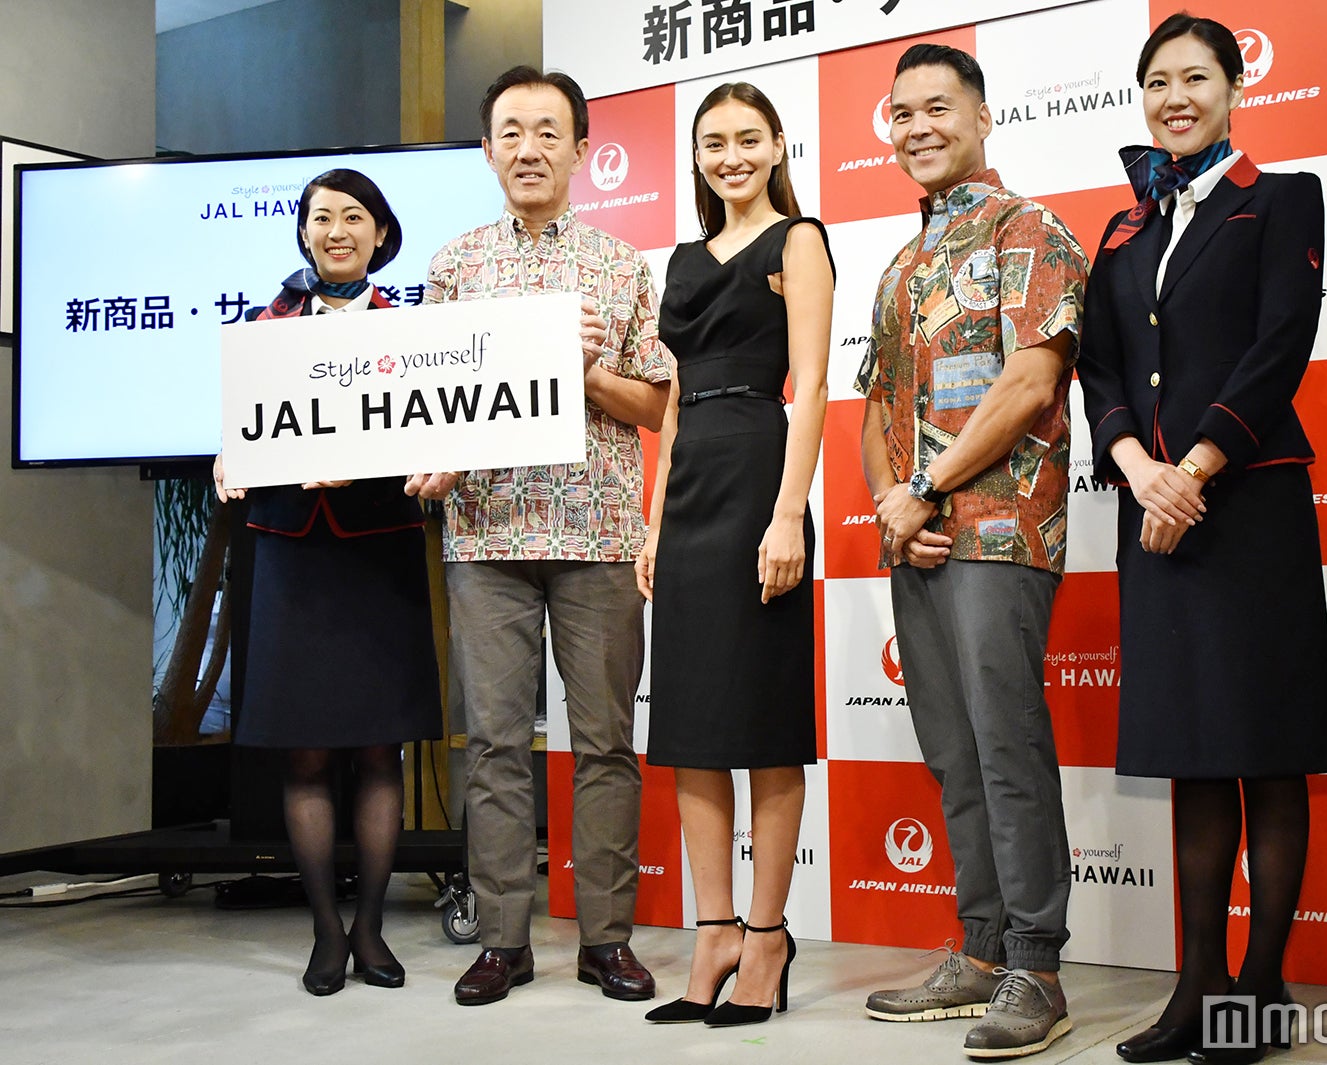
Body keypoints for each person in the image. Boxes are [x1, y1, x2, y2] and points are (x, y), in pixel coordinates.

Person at [1075, 14, 1327, 1064]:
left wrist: (1191, 468)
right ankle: (1196, 987)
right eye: (1157, 81)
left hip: (1246, 509)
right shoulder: (1122, 228)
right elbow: (1100, 366)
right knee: (1192, 753)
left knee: (1265, 752)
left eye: (1195, 78)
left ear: (1235, 88)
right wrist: (1135, 464)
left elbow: (1281, 343)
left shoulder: (1282, 199)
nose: (1175, 97)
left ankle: (1262, 988)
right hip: (1155, 516)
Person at [406, 65, 671, 1007]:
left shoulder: (622, 265)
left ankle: (606, 939)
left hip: (598, 529)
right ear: (487, 151)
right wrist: (434, 457)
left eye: (549, 131)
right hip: (486, 533)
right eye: (511, 132)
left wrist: (584, 370)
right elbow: (429, 398)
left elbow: (655, 404)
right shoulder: (454, 267)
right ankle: (503, 940)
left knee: (604, 743)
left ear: (582, 150)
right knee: (494, 745)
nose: (529, 148)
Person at [855, 43, 1089, 1062]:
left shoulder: (1030, 231)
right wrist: (891, 505)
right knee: (953, 753)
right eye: (901, 113)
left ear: (984, 117)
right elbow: (875, 407)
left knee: (1005, 747)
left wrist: (922, 488)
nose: (918, 127)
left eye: (938, 108)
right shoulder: (899, 265)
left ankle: (1038, 965)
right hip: (917, 541)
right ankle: (984, 949)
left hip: (1000, 531)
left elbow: (1028, 384)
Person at [634, 82, 833, 1029]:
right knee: (691, 727)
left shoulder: (799, 240)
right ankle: (711, 932)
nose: (731, 156)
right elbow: (674, 400)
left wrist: (789, 514)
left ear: (778, 145)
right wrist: (653, 525)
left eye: (749, 139)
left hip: (760, 474)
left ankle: (766, 937)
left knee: (762, 719)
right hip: (689, 497)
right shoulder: (680, 259)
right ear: (697, 157)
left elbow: (814, 384)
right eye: (713, 142)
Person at [215, 168, 442, 996]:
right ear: (303, 232)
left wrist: (371, 464)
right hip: (291, 553)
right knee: (304, 752)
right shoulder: (262, 327)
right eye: (321, 218)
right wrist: (227, 457)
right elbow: (242, 430)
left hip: (377, 550)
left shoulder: (412, 330)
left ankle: (371, 927)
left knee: (381, 747)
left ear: (381, 234)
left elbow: (428, 431)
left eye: (353, 217)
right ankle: (324, 931)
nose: (336, 230)